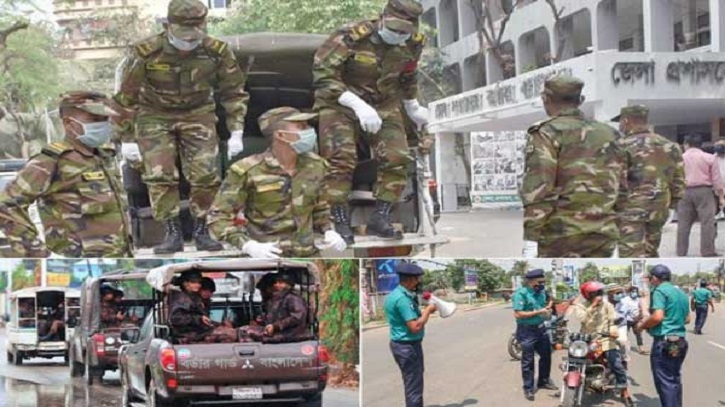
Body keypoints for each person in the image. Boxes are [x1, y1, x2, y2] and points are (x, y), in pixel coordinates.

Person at [113, 0, 249, 254]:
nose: (189, 41)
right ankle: (171, 232)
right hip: (154, 115)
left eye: (194, 34)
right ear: (169, 26)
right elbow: (125, 99)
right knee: (160, 175)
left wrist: (237, 130)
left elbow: (234, 92)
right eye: (183, 35)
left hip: (198, 113)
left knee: (206, 174)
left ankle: (202, 230)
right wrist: (126, 138)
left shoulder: (217, 51)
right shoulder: (146, 52)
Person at [312, 0, 428, 243]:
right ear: (383, 18)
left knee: (398, 157)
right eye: (394, 29)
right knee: (341, 159)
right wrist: (356, 104)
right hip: (339, 103)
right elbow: (323, 75)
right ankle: (339, 220)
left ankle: (381, 217)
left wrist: (412, 104)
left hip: (384, 104)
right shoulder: (351, 36)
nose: (398, 36)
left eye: (403, 32)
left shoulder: (414, 42)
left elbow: (408, 75)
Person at [0, 91, 132, 258]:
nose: (103, 125)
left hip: (118, 259)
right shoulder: (51, 161)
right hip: (78, 263)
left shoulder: (104, 158)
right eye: (94, 120)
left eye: (105, 120)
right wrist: (36, 252)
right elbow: (6, 205)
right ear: (69, 124)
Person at [208, 107, 347, 258]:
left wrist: (329, 231)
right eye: (301, 127)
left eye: (307, 125)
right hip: (267, 255)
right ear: (281, 135)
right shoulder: (248, 170)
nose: (309, 131)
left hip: (307, 255)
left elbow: (321, 207)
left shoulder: (316, 165)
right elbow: (218, 217)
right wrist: (247, 245)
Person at [520, 75, 625, 258]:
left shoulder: (546, 132)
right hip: (603, 232)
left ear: (546, 99)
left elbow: (539, 188)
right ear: (581, 100)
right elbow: (623, 185)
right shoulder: (610, 133)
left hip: (561, 234)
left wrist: (531, 238)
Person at [614, 105, 685, 257]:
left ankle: (636, 280)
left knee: (630, 254)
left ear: (626, 120)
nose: (620, 126)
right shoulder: (670, 145)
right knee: (651, 251)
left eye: (620, 122)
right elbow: (679, 180)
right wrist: (671, 204)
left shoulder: (621, 146)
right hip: (660, 207)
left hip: (631, 208)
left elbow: (616, 180)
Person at [634, 265, 691, 407]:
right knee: (673, 378)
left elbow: (658, 317)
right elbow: (688, 319)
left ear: (655, 278)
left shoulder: (659, 291)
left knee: (665, 381)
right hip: (679, 341)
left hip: (665, 342)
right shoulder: (681, 294)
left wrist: (642, 326)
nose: (650, 282)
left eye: (650, 278)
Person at [572, 281, 634, 406]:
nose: (599, 295)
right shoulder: (580, 306)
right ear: (588, 294)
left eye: (600, 292)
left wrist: (613, 331)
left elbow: (612, 321)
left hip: (605, 339)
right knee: (574, 361)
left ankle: (625, 391)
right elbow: (582, 319)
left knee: (616, 364)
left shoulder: (607, 305)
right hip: (587, 339)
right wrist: (593, 306)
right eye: (596, 293)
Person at [384, 262, 436, 407]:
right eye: (416, 279)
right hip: (407, 347)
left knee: (412, 382)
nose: (418, 282)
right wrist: (428, 311)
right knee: (414, 385)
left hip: (402, 345)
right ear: (410, 279)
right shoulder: (403, 299)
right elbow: (415, 327)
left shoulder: (395, 294)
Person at [512, 269, 557, 401]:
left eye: (543, 281)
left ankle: (543, 381)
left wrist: (548, 307)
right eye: (540, 281)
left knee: (546, 355)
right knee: (528, 360)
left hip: (541, 329)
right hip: (527, 331)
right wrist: (538, 312)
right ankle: (528, 388)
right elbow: (518, 314)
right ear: (532, 281)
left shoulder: (541, 292)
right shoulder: (521, 294)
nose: (543, 283)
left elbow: (550, 300)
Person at [676, 133, 724, 257]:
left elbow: (673, 178)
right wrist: (721, 196)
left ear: (686, 144)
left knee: (683, 223)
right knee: (707, 222)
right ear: (700, 145)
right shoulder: (709, 158)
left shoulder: (679, 158)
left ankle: (681, 252)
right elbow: (717, 179)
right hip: (705, 191)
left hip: (684, 192)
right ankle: (707, 251)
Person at [168, 270, 237, 343]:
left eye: (199, 282)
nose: (198, 285)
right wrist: (198, 319)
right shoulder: (181, 298)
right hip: (189, 335)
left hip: (199, 332)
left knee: (232, 332)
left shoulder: (193, 298)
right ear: (185, 283)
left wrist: (220, 324)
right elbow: (175, 318)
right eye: (194, 282)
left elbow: (203, 320)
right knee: (230, 334)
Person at [624, 286, 647, 355]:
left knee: (638, 333)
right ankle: (623, 348)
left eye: (636, 292)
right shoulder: (625, 300)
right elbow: (623, 310)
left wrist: (640, 317)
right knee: (625, 334)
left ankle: (641, 348)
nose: (635, 293)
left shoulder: (638, 300)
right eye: (633, 292)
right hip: (627, 319)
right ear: (630, 292)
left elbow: (641, 309)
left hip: (636, 319)